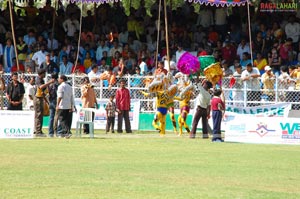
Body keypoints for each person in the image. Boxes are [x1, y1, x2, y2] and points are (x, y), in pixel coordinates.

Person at [34, 69, 54, 137]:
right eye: (44, 73)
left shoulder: (41, 79)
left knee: (39, 115)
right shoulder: (38, 79)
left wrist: (46, 100)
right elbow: (41, 87)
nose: (45, 75)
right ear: (41, 74)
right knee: (39, 115)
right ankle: (38, 131)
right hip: (38, 98)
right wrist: (49, 82)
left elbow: (43, 91)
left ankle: (38, 130)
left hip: (41, 97)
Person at [48, 73, 59, 137]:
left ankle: (50, 132)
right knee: (58, 117)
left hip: (51, 100)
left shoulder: (49, 84)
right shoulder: (57, 84)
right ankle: (57, 131)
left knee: (51, 117)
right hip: (56, 100)